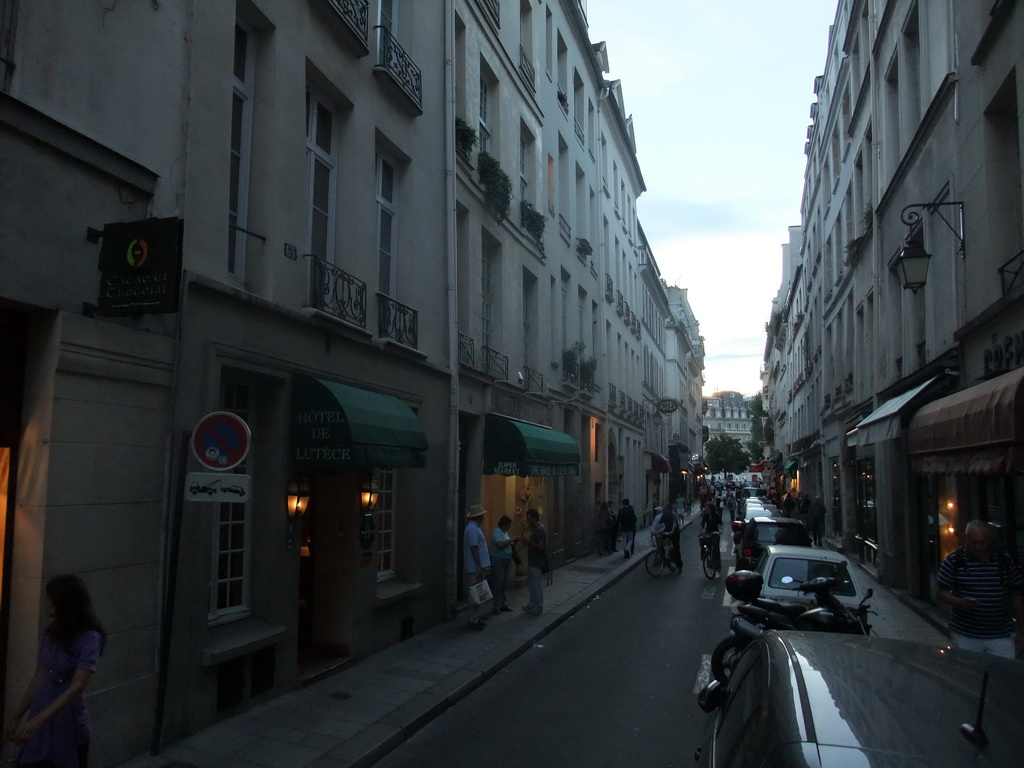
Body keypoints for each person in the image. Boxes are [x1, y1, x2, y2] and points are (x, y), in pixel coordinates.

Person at [5, 574, 105, 768]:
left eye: (49, 598)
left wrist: (39, 720)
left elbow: (77, 686)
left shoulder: (89, 638)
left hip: (66, 720)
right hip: (41, 713)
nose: (46, 602)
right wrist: (17, 716)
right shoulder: (50, 634)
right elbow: (38, 677)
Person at [936, 520, 1024, 658]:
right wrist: (960, 602)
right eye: (973, 542)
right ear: (967, 540)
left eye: (981, 542)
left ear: (989, 540)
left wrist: (1022, 627)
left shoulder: (1003, 561)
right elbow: (941, 592)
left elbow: (1015, 594)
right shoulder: (955, 560)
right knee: (970, 673)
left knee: (1002, 673)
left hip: (1000, 635)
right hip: (965, 635)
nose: (977, 546)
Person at [463, 504, 491, 630]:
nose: (484, 517)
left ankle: (475, 617)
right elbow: (474, 548)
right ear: (478, 517)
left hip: (476, 567)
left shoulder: (473, 528)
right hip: (474, 568)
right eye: (482, 515)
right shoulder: (472, 529)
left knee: (477, 593)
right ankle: (472, 619)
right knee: (474, 593)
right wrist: (479, 565)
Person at [522, 508, 547, 616]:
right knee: (531, 583)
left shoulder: (539, 529)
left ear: (534, 518)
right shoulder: (535, 528)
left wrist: (529, 541)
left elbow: (541, 546)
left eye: (529, 519)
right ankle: (532, 603)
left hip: (537, 560)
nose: (527, 521)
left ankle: (538, 606)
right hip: (532, 560)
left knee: (536, 584)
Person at [489, 515, 515, 614]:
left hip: (505, 560)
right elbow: (499, 545)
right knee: (498, 583)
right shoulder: (497, 532)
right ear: (504, 524)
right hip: (498, 560)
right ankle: (496, 606)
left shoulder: (505, 533)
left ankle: (503, 604)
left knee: (503, 583)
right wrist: (510, 541)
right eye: (509, 524)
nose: (510, 526)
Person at [700, 502, 723, 574]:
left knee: (716, 550)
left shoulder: (716, 516)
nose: (705, 509)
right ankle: (705, 557)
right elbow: (703, 524)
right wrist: (702, 531)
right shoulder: (705, 516)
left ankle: (718, 566)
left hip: (715, 533)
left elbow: (720, 524)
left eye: (707, 507)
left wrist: (720, 530)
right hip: (708, 532)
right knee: (703, 544)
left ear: (710, 509)